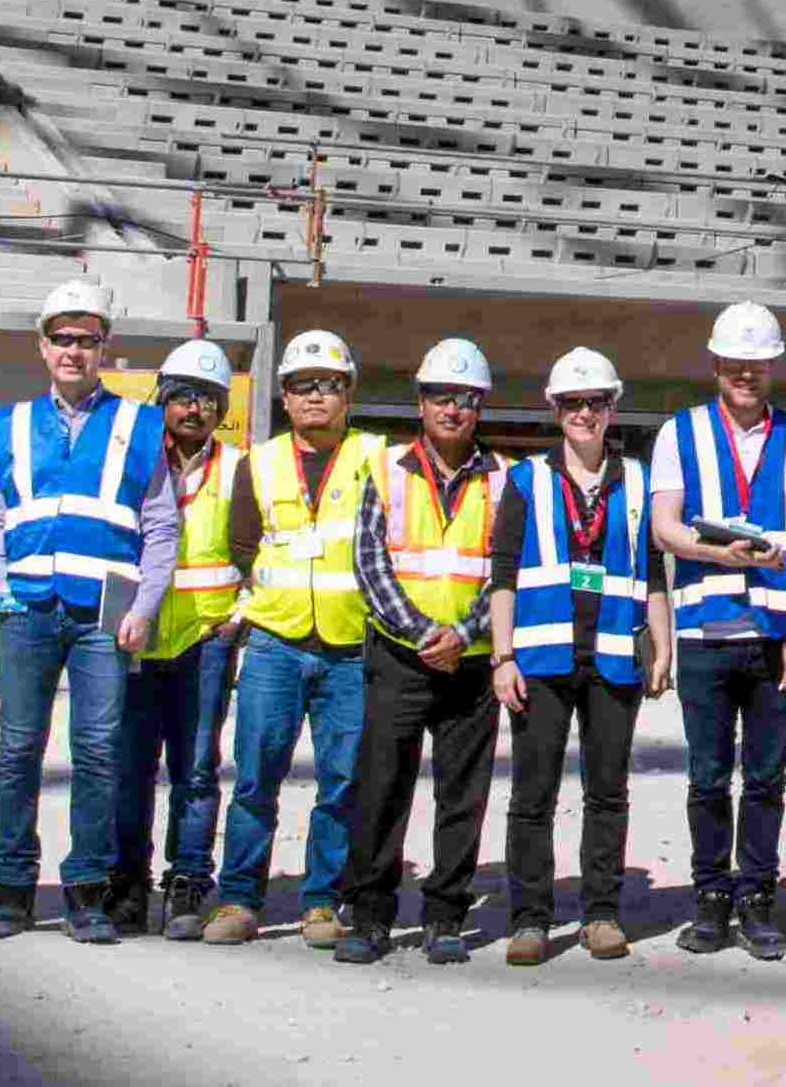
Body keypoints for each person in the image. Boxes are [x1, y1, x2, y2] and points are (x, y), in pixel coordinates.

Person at [0, 280, 173, 943]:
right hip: (27, 610)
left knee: (97, 752)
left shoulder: (139, 424)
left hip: (103, 614)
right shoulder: (11, 423)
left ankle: (87, 893)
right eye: (61, 337)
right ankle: (12, 891)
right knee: (17, 750)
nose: (73, 349)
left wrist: (144, 607)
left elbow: (161, 527)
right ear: (43, 346)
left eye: (86, 339)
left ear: (104, 348)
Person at [653, 300, 786, 960]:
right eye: (734, 363)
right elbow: (665, 525)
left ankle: (758, 899)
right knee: (707, 777)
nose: (745, 375)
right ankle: (711, 898)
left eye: (756, 364)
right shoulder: (683, 431)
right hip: (706, 630)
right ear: (716, 364)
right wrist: (715, 554)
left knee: (764, 778)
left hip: (775, 633)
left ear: (771, 367)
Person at [496, 347, 673, 964]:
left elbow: (652, 571)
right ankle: (530, 918)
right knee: (533, 794)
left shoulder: (640, 481)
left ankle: (601, 913)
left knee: (607, 792)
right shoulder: (526, 480)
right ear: (555, 409)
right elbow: (504, 575)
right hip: (541, 659)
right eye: (573, 402)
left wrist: (662, 644)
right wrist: (501, 657)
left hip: (614, 656)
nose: (584, 413)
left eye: (595, 402)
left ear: (611, 407)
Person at [199, 331, 376, 948]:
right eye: (303, 386)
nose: (316, 397)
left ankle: (323, 901)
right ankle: (240, 898)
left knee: (343, 780)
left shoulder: (376, 458)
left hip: (350, 644)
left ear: (348, 391)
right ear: (284, 394)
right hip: (275, 642)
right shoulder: (261, 461)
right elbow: (242, 544)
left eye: (329, 384)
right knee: (254, 775)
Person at [337, 337, 504, 965]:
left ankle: (445, 915)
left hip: (472, 662)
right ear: (421, 402)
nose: (453, 409)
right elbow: (370, 561)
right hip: (401, 658)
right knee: (382, 786)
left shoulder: (503, 481)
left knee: (463, 795)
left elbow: (506, 571)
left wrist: (461, 633)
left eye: (465, 399)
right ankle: (370, 912)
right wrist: (420, 633)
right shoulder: (386, 469)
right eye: (441, 397)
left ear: (479, 407)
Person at [114, 340, 242, 942]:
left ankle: (188, 878)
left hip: (205, 638)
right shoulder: (136, 460)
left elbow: (263, 549)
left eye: (209, 400)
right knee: (131, 766)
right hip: (138, 635)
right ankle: (128, 882)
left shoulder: (240, 468)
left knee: (195, 768)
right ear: (162, 400)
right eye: (184, 397)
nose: (195, 410)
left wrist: (239, 613)